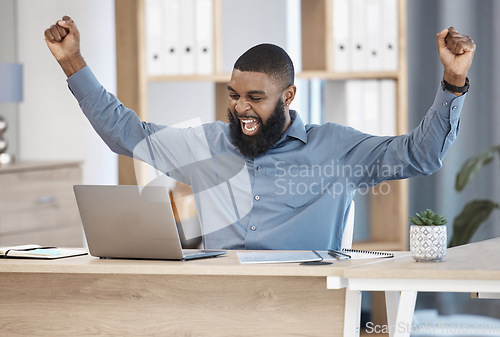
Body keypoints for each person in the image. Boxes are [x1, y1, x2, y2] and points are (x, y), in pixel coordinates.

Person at [44, 16, 475, 251]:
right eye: (234, 95)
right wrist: (72, 63)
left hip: (304, 299)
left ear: (287, 94)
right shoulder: (207, 143)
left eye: (255, 97)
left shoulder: (336, 148)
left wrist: (453, 82)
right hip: (217, 297)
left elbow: (421, 155)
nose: (241, 107)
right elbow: (127, 133)